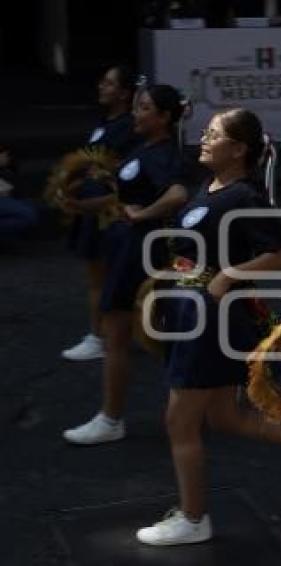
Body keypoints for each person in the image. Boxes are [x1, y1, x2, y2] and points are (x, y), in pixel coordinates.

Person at [135, 108, 281, 545]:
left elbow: (280, 255)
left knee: (179, 420)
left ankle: (193, 519)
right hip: (190, 308)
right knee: (225, 418)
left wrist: (230, 274)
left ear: (239, 149)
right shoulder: (207, 186)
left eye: (214, 135)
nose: (204, 139)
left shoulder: (246, 196)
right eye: (205, 132)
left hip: (210, 315)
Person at [63, 84, 189, 445]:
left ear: (164, 118)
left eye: (145, 108)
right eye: (137, 107)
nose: (137, 113)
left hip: (140, 251)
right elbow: (126, 196)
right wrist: (85, 204)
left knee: (120, 332)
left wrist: (142, 215)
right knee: (147, 333)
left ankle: (111, 419)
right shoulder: (143, 147)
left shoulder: (164, 153)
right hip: (126, 246)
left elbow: (177, 194)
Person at [61, 65, 141, 362]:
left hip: (106, 211)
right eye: (103, 82)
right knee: (99, 276)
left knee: (102, 277)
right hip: (91, 207)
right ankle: (109, 333)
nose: (101, 87)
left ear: (123, 93)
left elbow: (117, 172)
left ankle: (99, 337)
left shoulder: (127, 127)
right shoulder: (105, 122)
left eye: (108, 84)